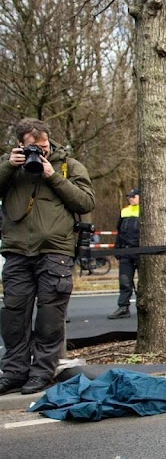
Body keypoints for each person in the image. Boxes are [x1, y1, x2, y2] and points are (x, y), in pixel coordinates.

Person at [0, 118, 95, 395]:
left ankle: (42, 371)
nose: (40, 152)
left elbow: (86, 202)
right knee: (14, 316)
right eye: (33, 148)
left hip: (56, 252)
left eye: (43, 146)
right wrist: (9, 165)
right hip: (17, 251)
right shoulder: (11, 167)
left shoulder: (68, 165)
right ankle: (14, 372)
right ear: (20, 144)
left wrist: (52, 175)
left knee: (49, 317)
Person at [108, 188, 141, 319]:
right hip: (126, 251)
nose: (131, 199)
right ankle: (123, 307)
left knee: (144, 282)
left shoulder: (147, 211)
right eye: (130, 197)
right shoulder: (124, 211)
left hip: (141, 252)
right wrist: (117, 248)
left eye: (134, 196)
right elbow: (120, 232)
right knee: (124, 280)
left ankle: (145, 307)